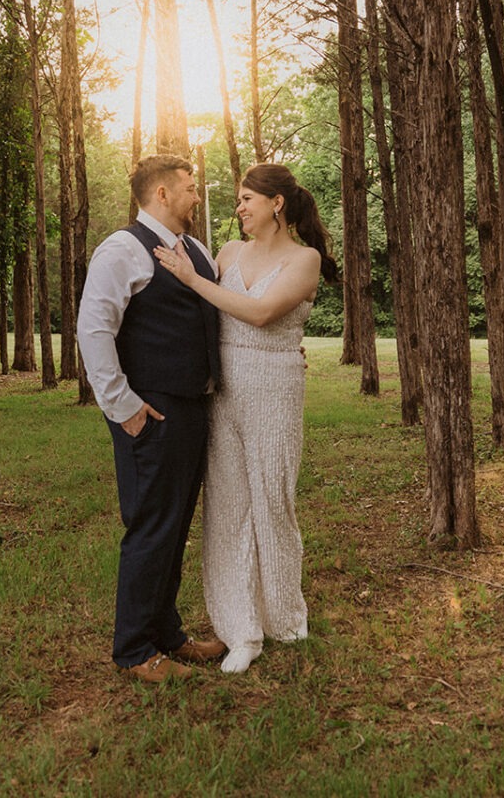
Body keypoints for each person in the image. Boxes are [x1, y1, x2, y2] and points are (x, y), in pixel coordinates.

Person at [154, 162, 338, 673]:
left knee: (272, 499)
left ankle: (283, 613)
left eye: (246, 200)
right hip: (224, 389)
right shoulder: (229, 253)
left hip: (275, 387)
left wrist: (193, 278)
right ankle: (241, 631)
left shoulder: (307, 259)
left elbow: (259, 313)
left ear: (276, 203)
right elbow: (203, 310)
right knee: (227, 507)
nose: (238, 209)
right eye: (237, 201)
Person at [77, 155, 228, 684]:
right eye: (189, 188)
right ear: (162, 194)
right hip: (153, 412)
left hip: (193, 408)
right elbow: (94, 331)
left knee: (176, 524)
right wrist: (124, 409)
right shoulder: (121, 249)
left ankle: (167, 633)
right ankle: (134, 649)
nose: (197, 197)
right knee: (151, 527)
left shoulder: (197, 251)